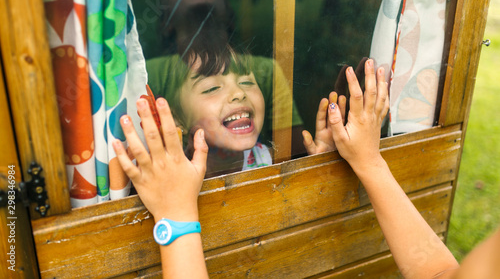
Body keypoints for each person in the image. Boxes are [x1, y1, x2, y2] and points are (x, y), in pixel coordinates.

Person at [113, 58, 500, 278]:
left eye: (247, 80)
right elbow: (438, 274)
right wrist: (361, 160)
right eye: (211, 87)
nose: (236, 92)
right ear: (179, 116)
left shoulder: (265, 155)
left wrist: (175, 216)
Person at [146, 0, 306, 157]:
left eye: (246, 83)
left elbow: (294, 154)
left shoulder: (265, 69)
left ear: (230, 15)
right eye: (210, 88)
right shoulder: (147, 73)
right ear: (167, 22)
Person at [158, 45, 271, 177]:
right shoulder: (171, 175)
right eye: (211, 88)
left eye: (246, 82)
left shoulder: (273, 160)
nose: (239, 93)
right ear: (177, 118)